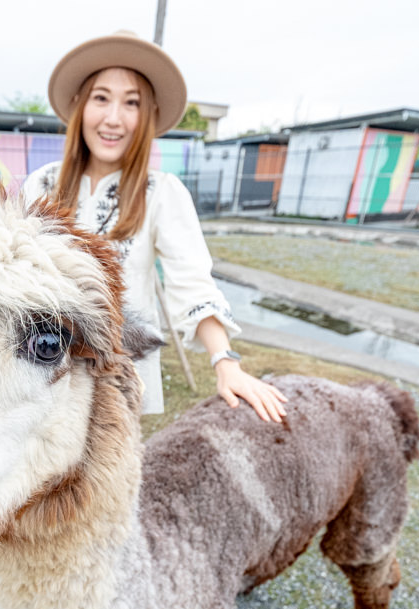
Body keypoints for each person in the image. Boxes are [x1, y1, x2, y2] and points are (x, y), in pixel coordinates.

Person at [23, 31, 287, 422]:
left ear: (146, 116)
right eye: (101, 98)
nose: (114, 118)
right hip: (42, 372)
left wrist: (225, 361)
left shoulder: (162, 192)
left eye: (131, 103)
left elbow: (191, 282)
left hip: (119, 377)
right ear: (80, 105)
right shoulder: (42, 184)